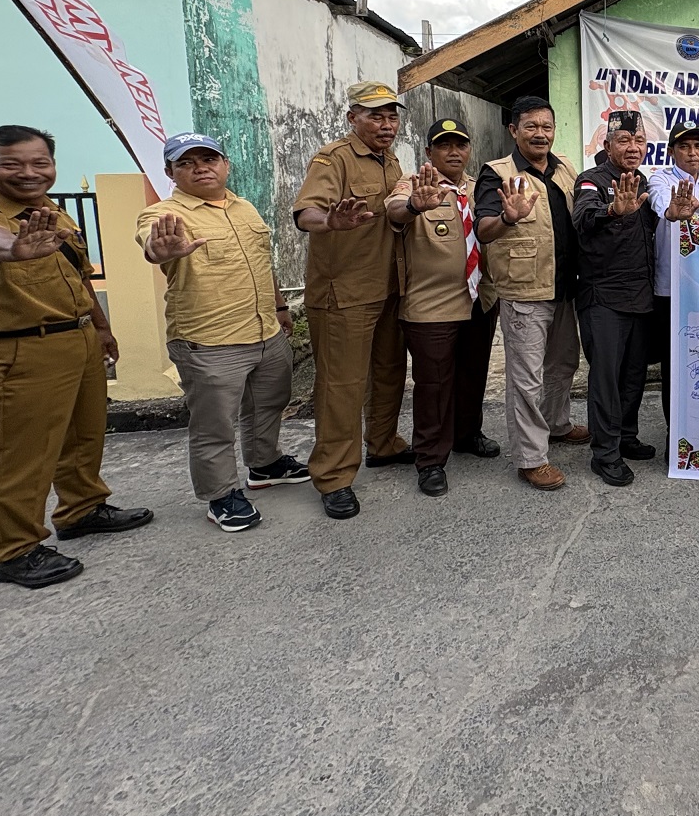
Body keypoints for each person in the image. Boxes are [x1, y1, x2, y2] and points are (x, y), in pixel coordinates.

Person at [0, 126, 152, 588]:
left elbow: (79, 274)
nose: (28, 173)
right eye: (12, 163)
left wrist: (100, 326)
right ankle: (14, 550)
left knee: (84, 433)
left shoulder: (53, 213)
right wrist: (14, 248)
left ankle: (82, 509)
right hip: (22, 347)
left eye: (39, 162)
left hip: (75, 337)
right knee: (24, 453)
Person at [138, 133, 309, 532]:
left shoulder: (244, 208)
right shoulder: (164, 215)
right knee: (214, 425)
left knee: (268, 405)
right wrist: (161, 250)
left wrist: (280, 307)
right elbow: (152, 245)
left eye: (209, 158)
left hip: (265, 331)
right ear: (170, 172)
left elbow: (261, 263)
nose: (202, 167)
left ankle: (264, 465)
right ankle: (221, 496)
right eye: (187, 162)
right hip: (209, 341)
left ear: (225, 164)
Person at [292, 80, 413, 520]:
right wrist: (331, 221)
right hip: (343, 291)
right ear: (352, 118)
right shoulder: (333, 158)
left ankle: (383, 443)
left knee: (389, 371)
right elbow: (306, 213)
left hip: (388, 286)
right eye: (375, 116)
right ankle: (334, 475)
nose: (386, 124)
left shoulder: (391, 160)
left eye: (391, 116)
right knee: (341, 386)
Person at [573, 111, 699, 486]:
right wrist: (613, 209)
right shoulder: (591, 181)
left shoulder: (644, 182)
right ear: (607, 145)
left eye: (639, 141)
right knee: (606, 379)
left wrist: (673, 216)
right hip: (604, 298)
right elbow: (584, 217)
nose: (632, 148)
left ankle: (626, 437)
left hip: (640, 297)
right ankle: (605, 453)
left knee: (633, 377)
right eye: (624, 141)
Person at [474, 96, 587, 493]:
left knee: (563, 365)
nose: (540, 133)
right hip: (525, 290)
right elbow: (483, 229)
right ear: (514, 131)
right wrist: (508, 216)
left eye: (546, 126)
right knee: (526, 379)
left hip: (565, 287)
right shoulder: (497, 174)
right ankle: (530, 458)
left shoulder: (564, 168)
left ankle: (556, 424)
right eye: (531, 126)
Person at [386, 119, 502, 498]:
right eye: (444, 145)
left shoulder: (475, 187)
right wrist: (413, 206)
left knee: (473, 373)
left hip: (478, 298)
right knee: (434, 384)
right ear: (429, 152)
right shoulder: (414, 183)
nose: (454, 152)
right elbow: (394, 211)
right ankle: (430, 459)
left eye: (461, 145)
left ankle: (466, 434)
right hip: (431, 305)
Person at [647, 122, 699, 424]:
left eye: (698, 146)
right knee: (675, 363)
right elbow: (662, 208)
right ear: (672, 152)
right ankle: (676, 431)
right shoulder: (660, 180)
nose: (692, 152)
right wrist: (675, 211)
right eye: (684, 146)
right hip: (672, 287)